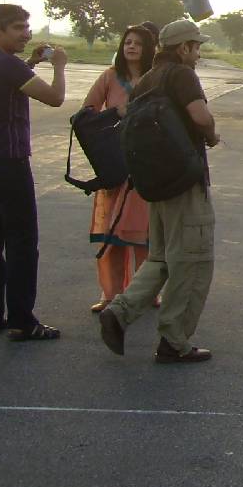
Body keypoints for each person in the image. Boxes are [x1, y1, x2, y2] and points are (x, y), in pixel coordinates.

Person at [99, 20, 220, 362]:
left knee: (161, 257)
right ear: (183, 48)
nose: (198, 54)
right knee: (193, 260)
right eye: (196, 47)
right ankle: (174, 341)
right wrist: (212, 135)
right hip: (185, 182)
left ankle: (119, 311)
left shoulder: (147, 80)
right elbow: (200, 116)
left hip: (158, 182)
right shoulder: (182, 75)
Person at [0, 4, 68, 341]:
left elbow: (9, 84)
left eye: (26, 26)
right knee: (22, 241)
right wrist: (59, 66)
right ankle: (22, 321)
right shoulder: (7, 64)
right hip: (9, 162)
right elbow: (55, 98)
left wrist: (31, 63)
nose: (26, 33)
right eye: (17, 28)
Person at [81, 25, 156, 313]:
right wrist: (115, 113)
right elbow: (86, 113)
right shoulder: (110, 77)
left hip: (145, 166)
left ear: (148, 49)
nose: (131, 47)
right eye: (127, 42)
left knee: (144, 235)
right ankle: (111, 295)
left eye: (138, 43)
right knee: (112, 235)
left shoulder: (155, 78)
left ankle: (145, 293)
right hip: (114, 164)